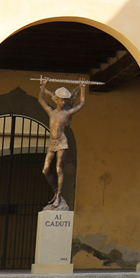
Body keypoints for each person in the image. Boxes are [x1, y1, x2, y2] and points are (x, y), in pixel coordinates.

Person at [38, 78, 86, 210]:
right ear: (57, 100)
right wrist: (43, 86)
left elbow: (81, 104)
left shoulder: (67, 113)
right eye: (61, 99)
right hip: (52, 143)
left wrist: (82, 88)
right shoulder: (51, 111)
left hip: (62, 142)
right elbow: (41, 100)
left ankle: (59, 195)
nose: (63, 102)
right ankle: (55, 191)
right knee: (45, 170)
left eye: (65, 100)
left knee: (59, 168)